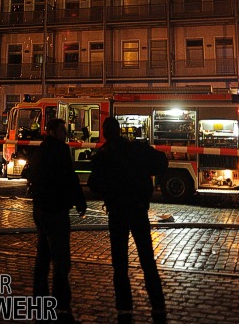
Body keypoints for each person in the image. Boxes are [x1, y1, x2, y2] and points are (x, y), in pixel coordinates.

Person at [87, 117, 168, 324]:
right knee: (147, 260)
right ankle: (158, 306)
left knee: (120, 264)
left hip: (117, 213)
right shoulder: (137, 149)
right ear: (120, 131)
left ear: (105, 133)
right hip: (138, 210)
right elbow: (162, 162)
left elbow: (93, 184)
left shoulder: (103, 155)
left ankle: (124, 310)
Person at [24, 117, 87, 324]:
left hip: (40, 209)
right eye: (62, 130)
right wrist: (80, 202)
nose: (65, 134)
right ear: (52, 131)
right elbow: (70, 178)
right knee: (61, 260)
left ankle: (40, 303)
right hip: (56, 210)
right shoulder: (60, 150)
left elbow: (31, 175)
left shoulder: (39, 150)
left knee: (42, 258)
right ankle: (61, 308)